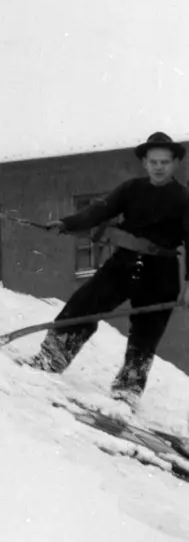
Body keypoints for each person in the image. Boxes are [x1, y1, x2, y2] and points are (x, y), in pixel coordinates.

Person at [26, 131, 189, 408]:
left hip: (161, 275)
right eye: (153, 162)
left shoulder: (184, 198)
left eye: (164, 162)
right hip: (123, 264)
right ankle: (51, 358)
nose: (158, 167)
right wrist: (67, 223)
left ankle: (128, 390)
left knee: (146, 334)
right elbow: (100, 210)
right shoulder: (131, 189)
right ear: (144, 163)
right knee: (82, 304)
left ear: (175, 163)